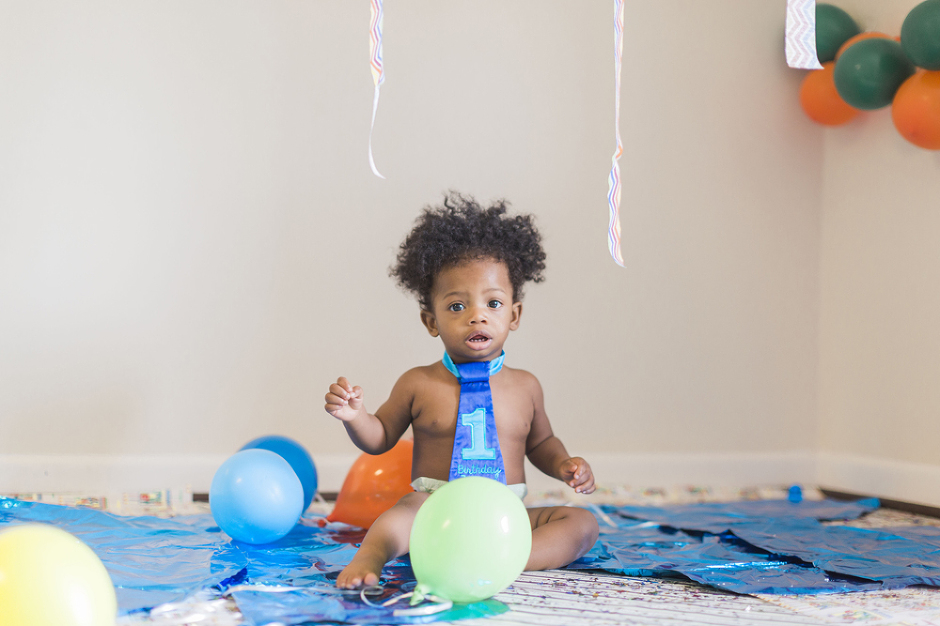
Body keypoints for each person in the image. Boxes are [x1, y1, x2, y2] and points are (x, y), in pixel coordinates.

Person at [324, 192, 599, 589]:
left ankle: (506, 557)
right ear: (430, 320)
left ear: (514, 315)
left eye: (493, 303)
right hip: (436, 505)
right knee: (398, 518)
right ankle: (370, 556)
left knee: (581, 524)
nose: (477, 315)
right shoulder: (418, 382)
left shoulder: (526, 386)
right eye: (457, 307)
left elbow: (541, 443)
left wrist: (564, 465)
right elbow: (380, 438)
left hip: (503, 511)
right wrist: (356, 417)